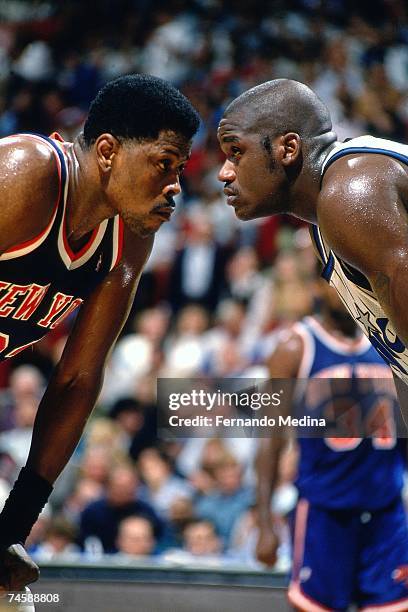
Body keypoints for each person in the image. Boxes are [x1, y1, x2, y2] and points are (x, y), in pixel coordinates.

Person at [0, 73, 200, 592]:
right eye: (163, 162)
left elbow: (78, 381)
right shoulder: (27, 174)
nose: (175, 184)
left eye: (180, 169)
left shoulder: (127, 238)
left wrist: (12, 529)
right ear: (108, 151)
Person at [217, 78, 408, 424]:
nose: (224, 172)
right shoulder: (325, 222)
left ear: (288, 149)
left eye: (236, 152)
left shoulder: (350, 193)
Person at [256, 278, 408, 611]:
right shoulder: (296, 347)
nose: (351, 291)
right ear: (318, 287)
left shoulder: (392, 339)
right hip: (325, 512)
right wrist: (265, 523)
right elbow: (270, 440)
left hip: (386, 509)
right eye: (342, 281)